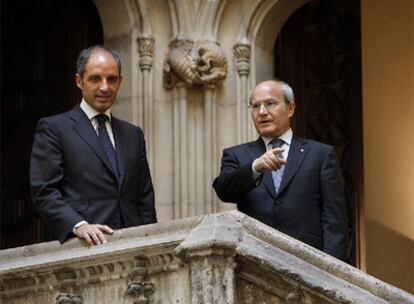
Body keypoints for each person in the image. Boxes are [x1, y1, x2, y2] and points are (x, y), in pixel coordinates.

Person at [30, 45, 156, 246]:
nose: (105, 87)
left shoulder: (133, 135)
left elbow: (145, 199)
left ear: (120, 82)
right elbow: (45, 192)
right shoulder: (54, 128)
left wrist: (151, 241)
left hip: (132, 248)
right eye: (95, 78)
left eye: (112, 79)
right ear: (79, 81)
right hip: (82, 249)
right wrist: (79, 225)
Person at [213, 79, 348, 260]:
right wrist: (255, 167)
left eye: (270, 104)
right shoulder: (237, 155)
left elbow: (334, 221)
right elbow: (224, 190)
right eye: (255, 106)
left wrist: (333, 272)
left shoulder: (321, 155)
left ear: (290, 108)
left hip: (309, 263)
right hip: (254, 261)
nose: (262, 112)